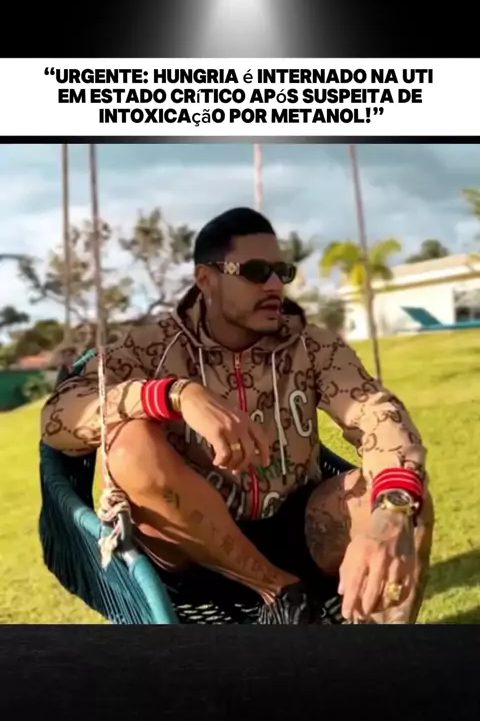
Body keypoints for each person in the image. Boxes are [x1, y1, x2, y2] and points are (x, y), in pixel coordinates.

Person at [41, 207, 434, 624]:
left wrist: (390, 511)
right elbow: (58, 417)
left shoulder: (312, 346)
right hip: (190, 549)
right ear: (206, 279)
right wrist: (176, 394)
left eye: (281, 272)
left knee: (407, 500)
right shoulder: (149, 349)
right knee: (127, 445)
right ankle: (280, 592)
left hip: (297, 528)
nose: (274, 285)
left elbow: (377, 414)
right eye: (255, 271)